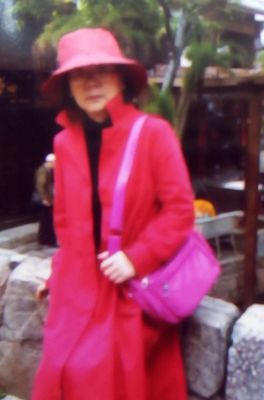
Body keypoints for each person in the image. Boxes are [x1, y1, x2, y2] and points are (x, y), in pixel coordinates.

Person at [32, 28, 194, 400]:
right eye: (79, 74)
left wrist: (137, 257)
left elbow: (180, 210)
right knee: (59, 372)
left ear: (121, 78)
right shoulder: (63, 142)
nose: (91, 82)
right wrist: (57, 274)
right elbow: (66, 223)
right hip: (76, 288)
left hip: (129, 289)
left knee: (110, 381)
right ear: (68, 86)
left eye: (102, 70)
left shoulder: (153, 133)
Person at [35, 153, 57, 246]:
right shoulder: (43, 170)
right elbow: (41, 185)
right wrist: (45, 199)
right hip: (46, 199)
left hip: (48, 198)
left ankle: (45, 239)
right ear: (50, 162)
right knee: (47, 220)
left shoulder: (48, 170)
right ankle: (48, 240)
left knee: (46, 220)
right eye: (55, 163)